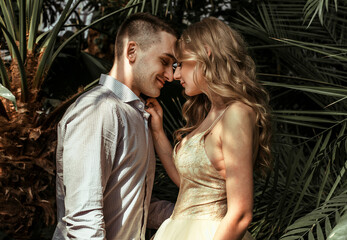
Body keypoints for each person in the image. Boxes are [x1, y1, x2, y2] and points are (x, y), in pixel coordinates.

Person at [145, 17, 272, 240]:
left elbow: (241, 213)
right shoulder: (210, 114)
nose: (175, 75)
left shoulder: (237, 113)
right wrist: (157, 132)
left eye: (180, 64)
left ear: (205, 54)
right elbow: (189, 184)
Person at [53, 13, 177, 240]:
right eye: (165, 61)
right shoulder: (98, 110)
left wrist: (195, 215)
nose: (170, 75)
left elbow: (134, 206)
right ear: (132, 51)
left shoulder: (138, 115)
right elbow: (84, 218)